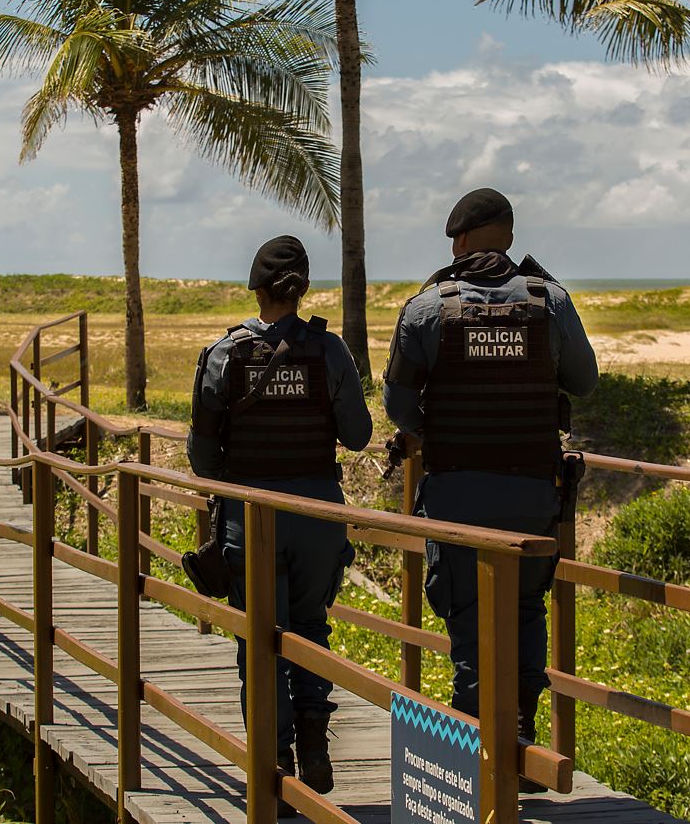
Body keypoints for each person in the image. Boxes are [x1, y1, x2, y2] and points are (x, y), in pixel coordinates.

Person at [382, 188, 597, 786]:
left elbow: (398, 404)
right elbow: (584, 381)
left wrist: (440, 429)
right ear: (508, 235)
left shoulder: (428, 307)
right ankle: (522, 743)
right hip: (531, 492)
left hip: (456, 495)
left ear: (467, 239)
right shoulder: (547, 300)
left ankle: (477, 759)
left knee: (469, 624)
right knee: (527, 612)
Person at [187, 234, 373, 812]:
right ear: (302, 289)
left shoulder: (224, 354)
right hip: (318, 514)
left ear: (257, 289)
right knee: (312, 627)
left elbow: (201, 454)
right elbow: (359, 435)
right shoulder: (330, 352)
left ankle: (273, 763)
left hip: (251, 518)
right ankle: (316, 738)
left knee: (259, 640)